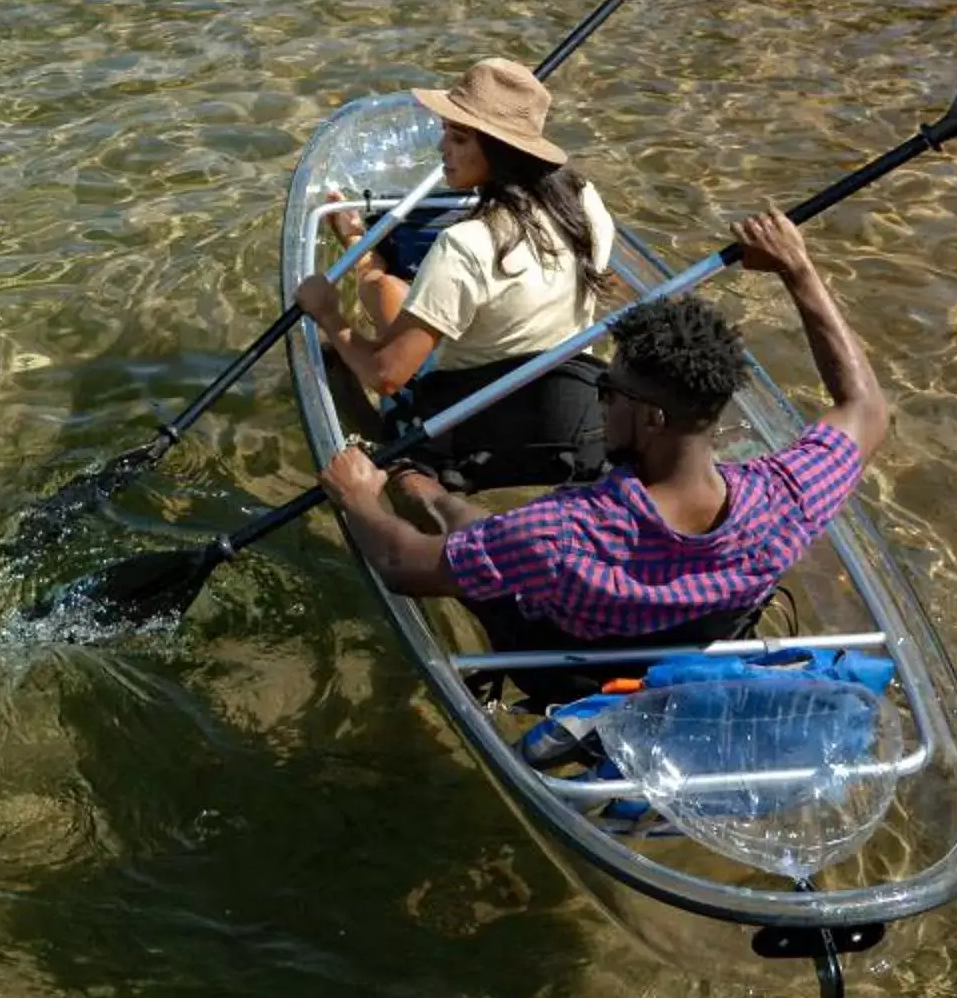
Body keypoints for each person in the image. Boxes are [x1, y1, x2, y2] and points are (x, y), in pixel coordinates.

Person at [318, 207, 886, 682]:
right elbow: (865, 407)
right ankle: (429, 490)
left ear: (653, 417)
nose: (600, 400)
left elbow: (400, 564)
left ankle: (422, 488)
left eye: (610, 389)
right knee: (471, 524)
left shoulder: (563, 532)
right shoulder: (784, 498)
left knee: (476, 535)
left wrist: (360, 497)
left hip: (561, 670)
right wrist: (799, 270)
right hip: (678, 655)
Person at [293, 57, 616, 493]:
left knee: (357, 324)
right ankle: (359, 249)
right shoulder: (584, 202)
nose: (442, 147)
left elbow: (386, 376)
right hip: (558, 403)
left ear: (501, 151)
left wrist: (328, 313)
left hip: (467, 417)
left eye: (459, 137)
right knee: (392, 291)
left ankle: (387, 457)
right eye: (446, 130)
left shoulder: (467, 244)